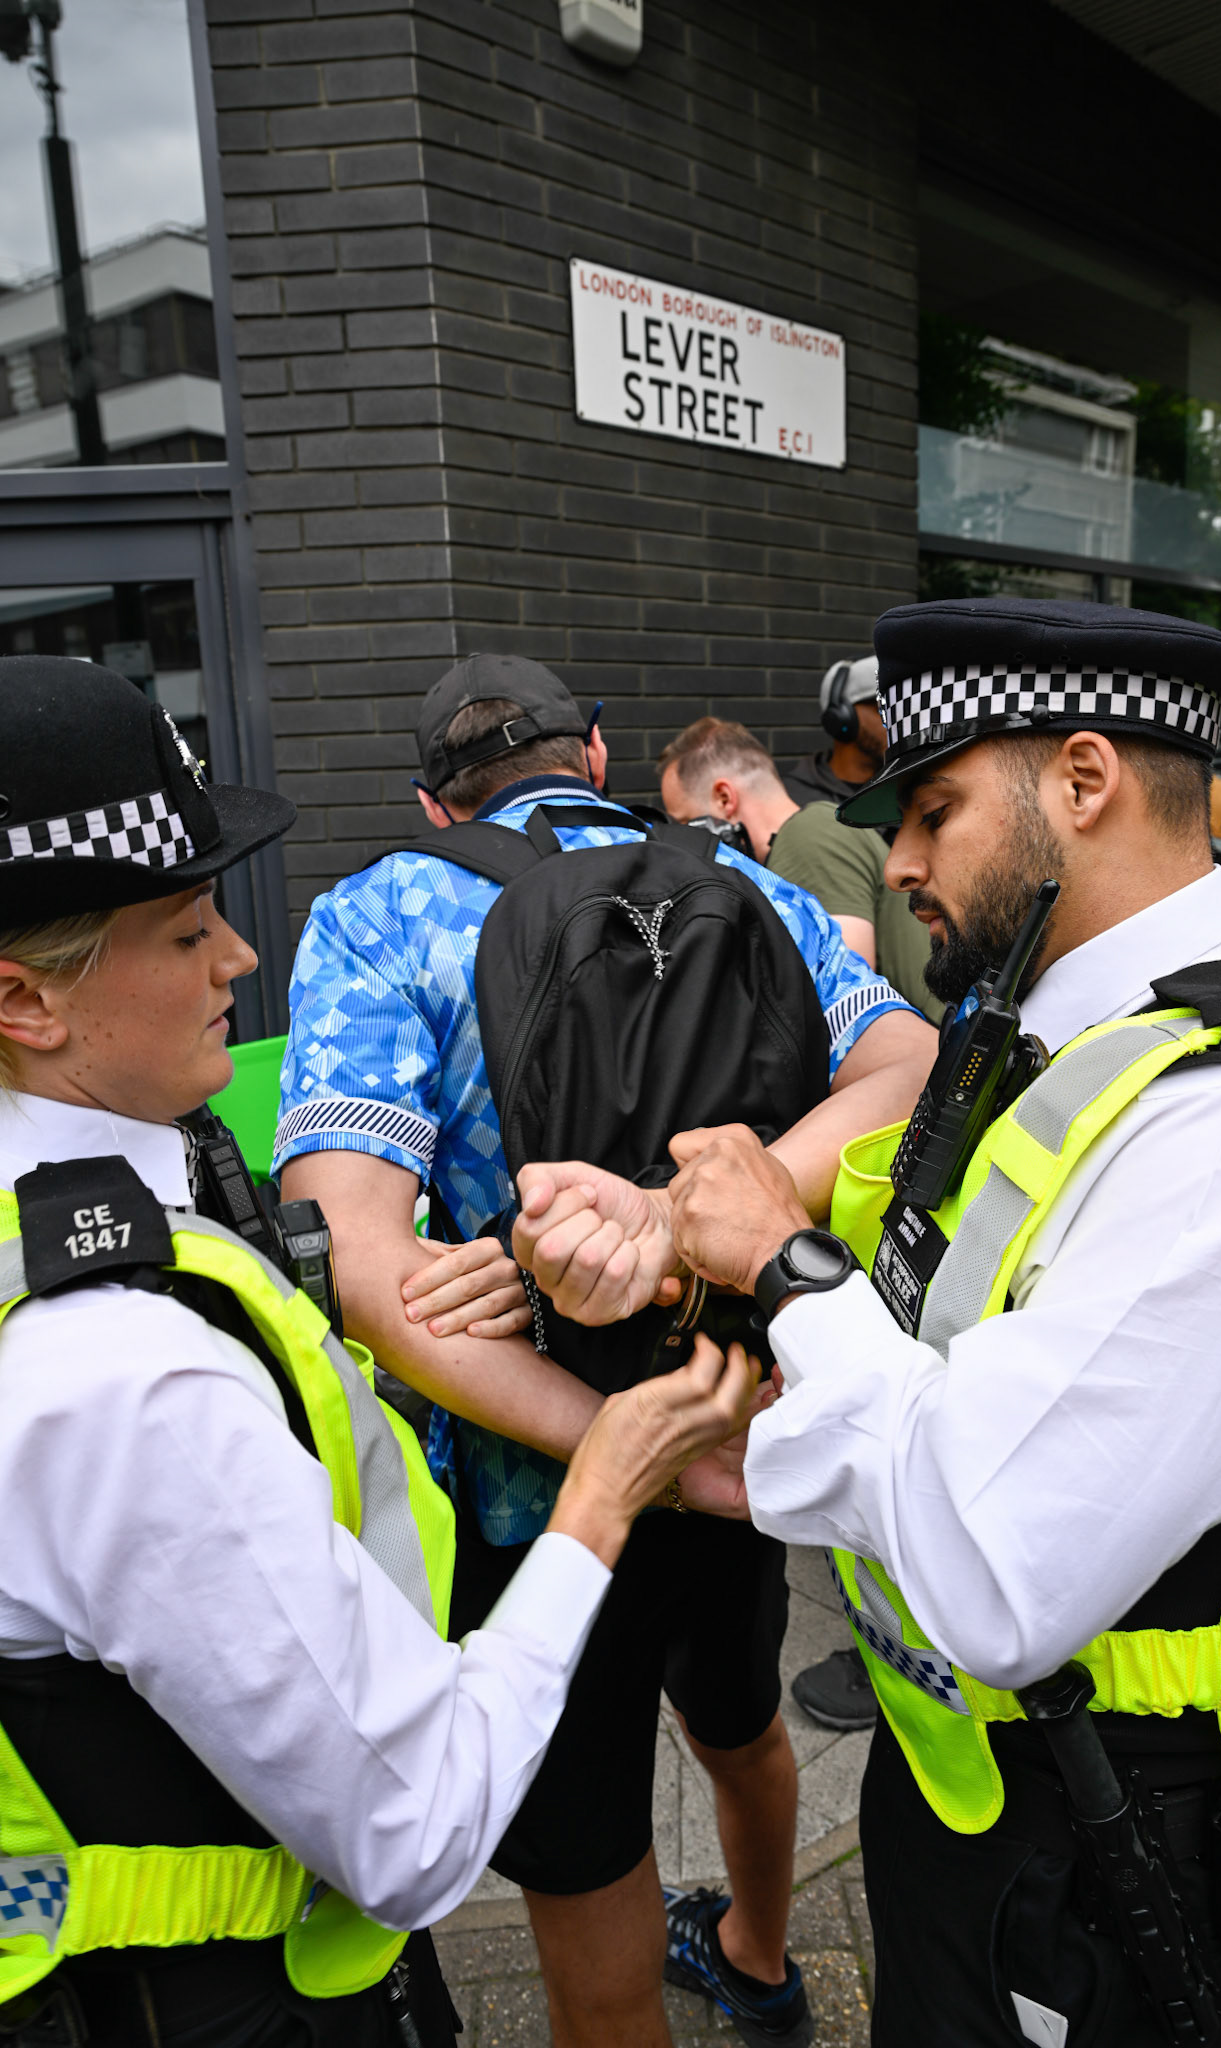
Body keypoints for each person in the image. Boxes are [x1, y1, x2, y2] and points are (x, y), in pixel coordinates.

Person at [512, 597, 1221, 2048]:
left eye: (937, 809)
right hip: (975, 1791)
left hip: (1111, 1839)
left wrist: (782, 1264)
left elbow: (992, 1563)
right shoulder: (1052, 1039)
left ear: (1086, 781)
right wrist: (669, 1243)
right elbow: (914, 1310)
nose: (898, 861)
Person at [0, 654, 762, 2048]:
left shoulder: (97, 1208)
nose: (238, 959)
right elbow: (413, 1830)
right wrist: (603, 1479)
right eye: (184, 933)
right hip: (242, 1999)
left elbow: (351, 1254)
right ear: (27, 1004)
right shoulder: (123, 1377)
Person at [274, 653, 931, 2048]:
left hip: (540, 1496)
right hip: (738, 1424)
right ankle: (760, 1959)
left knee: (585, 1870)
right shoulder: (750, 886)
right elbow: (906, 1073)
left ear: (430, 803)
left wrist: (620, 1445)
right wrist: (720, 1199)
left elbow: (357, 1267)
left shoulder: (379, 912)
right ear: (597, 758)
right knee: (741, 1714)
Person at [657, 715, 939, 1016]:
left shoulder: (805, 839)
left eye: (687, 822)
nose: (686, 839)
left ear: (725, 798)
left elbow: (839, 1002)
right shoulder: (813, 830)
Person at [781, 655, 887, 808]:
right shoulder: (791, 800)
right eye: (882, 710)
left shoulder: (909, 790)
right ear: (841, 718)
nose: (895, 722)